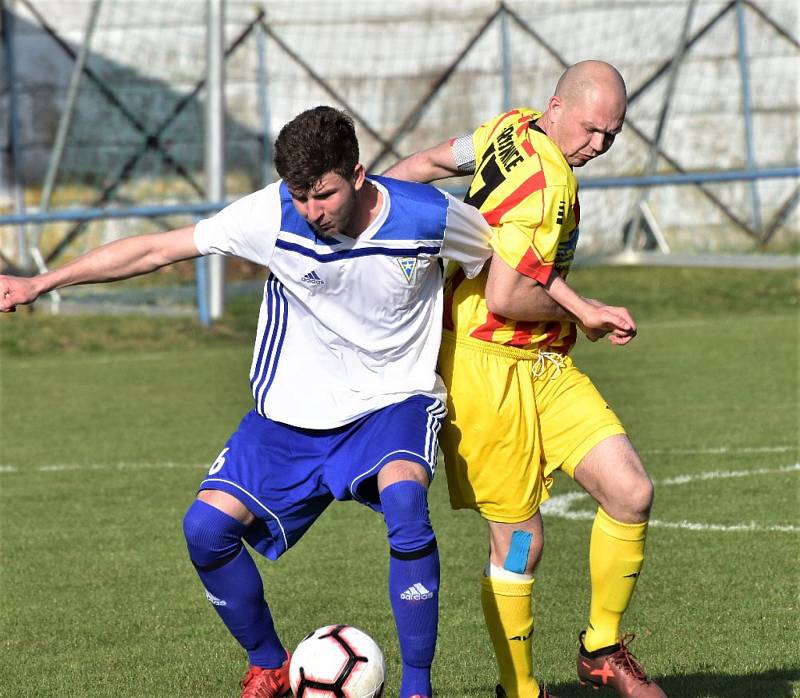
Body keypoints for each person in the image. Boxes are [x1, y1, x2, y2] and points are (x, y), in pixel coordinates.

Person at [0, 106, 520, 698]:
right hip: (292, 416)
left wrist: (555, 321)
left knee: (406, 500)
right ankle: (269, 663)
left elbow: (503, 263)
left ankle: (417, 688)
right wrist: (40, 284)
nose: (310, 212)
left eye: (322, 194)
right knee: (204, 530)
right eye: (299, 195)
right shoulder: (271, 215)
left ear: (357, 174)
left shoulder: (427, 215)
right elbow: (155, 251)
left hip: (391, 400)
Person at [384, 61, 667, 698]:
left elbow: (429, 162)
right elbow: (509, 296)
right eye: (593, 130)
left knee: (630, 491)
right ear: (557, 107)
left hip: (545, 367)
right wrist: (585, 313)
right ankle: (519, 689)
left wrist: (371, 203)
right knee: (520, 547)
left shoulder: (506, 129)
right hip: (484, 372)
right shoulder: (548, 182)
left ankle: (602, 648)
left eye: (612, 136)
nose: (599, 146)